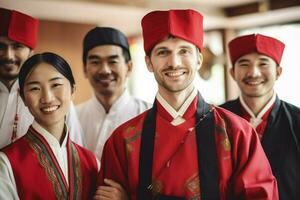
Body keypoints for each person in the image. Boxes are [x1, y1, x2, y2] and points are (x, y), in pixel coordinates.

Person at [97, 9, 278, 199]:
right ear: (149, 63)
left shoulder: (237, 132)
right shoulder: (123, 139)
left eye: (184, 51)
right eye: (163, 52)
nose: (174, 63)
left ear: (198, 59)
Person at [0, 52, 98, 199]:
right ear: (23, 98)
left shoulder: (92, 162)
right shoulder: (6, 162)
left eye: (56, 85)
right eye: (34, 88)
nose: (47, 98)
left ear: (72, 90)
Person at [220, 33, 300, 200]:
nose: (254, 73)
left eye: (263, 63)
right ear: (232, 72)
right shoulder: (214, 120)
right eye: (244, 64)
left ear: (278, 72)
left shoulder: (297, 122)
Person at [0, 7, 85, 149]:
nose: (9, 55)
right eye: (1, 47)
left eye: (17, 46)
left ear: (31, 52)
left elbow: (75, 152)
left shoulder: (57, 102)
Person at [76, 27, 151, 160]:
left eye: (113, 61)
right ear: (84, 69)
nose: (105, 70)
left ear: (129, 67)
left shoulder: (150, 116)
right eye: (95, 62)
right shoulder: (72, 117)